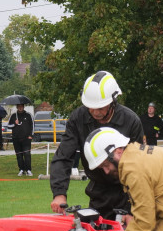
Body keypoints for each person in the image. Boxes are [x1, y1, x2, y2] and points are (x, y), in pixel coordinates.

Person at [49, 71, 144, 217]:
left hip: (126, 192)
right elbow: (64, 156)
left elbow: (139, 167)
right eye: (90, 107)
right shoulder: (78, 118)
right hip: (98, 193)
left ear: (113, 101)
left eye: (100, 107)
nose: (94, 112)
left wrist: (133, 208)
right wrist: (59, 193)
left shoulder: (131, 121)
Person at [7, 103, 34, 176]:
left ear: (23, 107)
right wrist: (15, 124)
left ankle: (28, 170)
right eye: (19, 106)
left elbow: (32, 125)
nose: (20, 108)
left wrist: (31, 135)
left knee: (27, 154)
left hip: (26, 139)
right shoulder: (13, 116)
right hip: (16, 138)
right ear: (17, 107)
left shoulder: (28, 115)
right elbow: (8, 126)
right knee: (19, 155)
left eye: (21, 106)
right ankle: (21, 169)